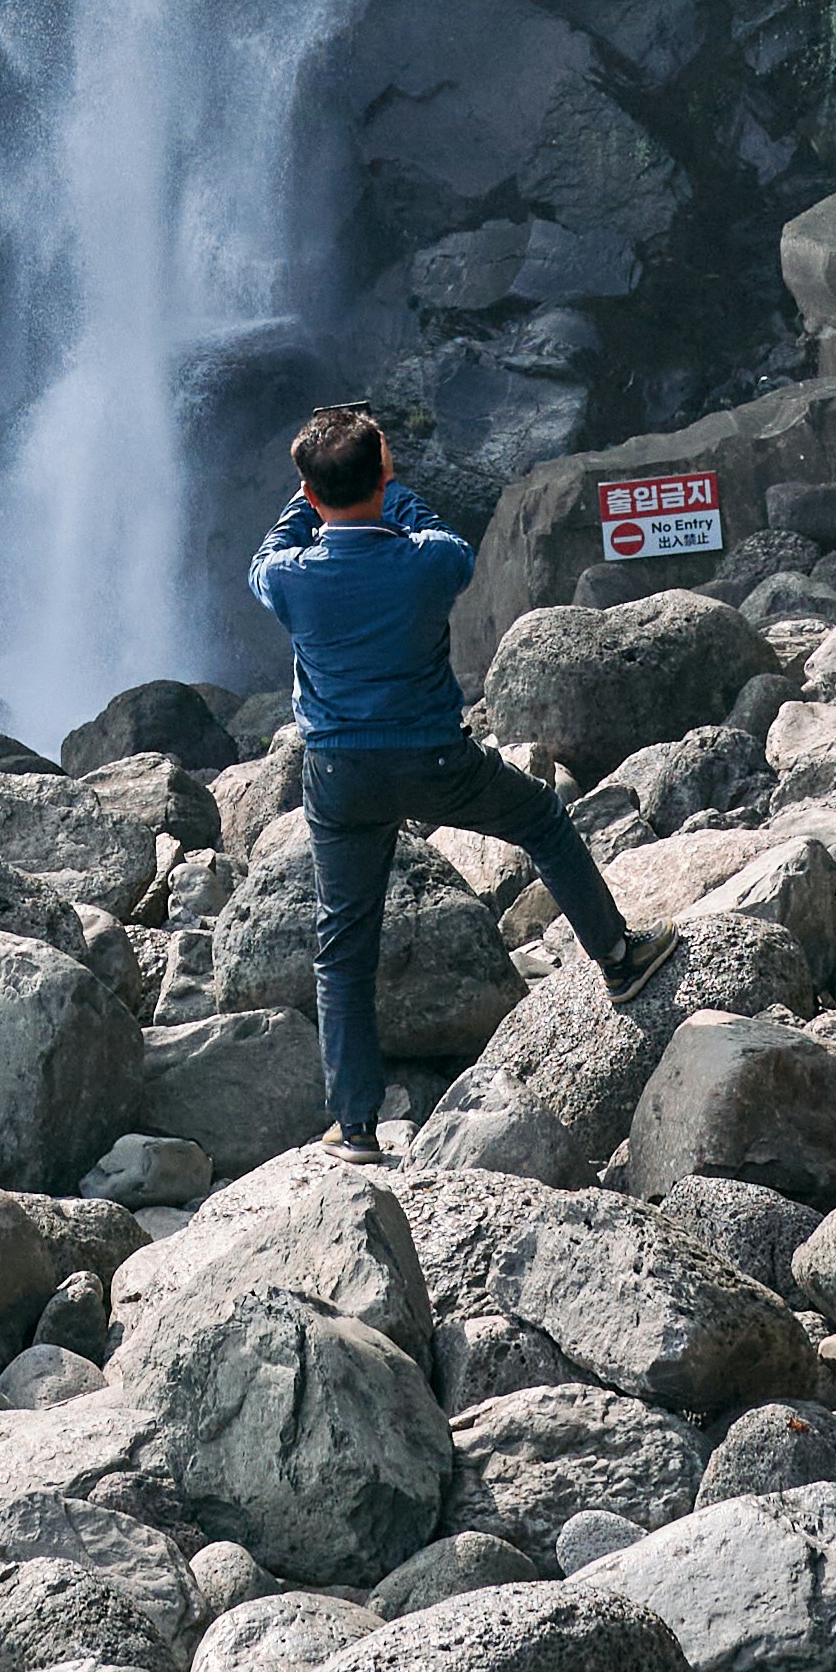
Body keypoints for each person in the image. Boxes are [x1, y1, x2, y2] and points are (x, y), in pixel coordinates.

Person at [252, 403, 674, 1155]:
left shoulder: (289, 579)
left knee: (343, 944)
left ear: (311, 495)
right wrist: (387, 483)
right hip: (435, 761)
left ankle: (355, 1126)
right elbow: (440, 534)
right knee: (541, 819)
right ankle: (617, 958)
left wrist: (310, 494)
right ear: (383, 477)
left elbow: (270, 551)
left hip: (340, 774)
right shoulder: (429, 563)